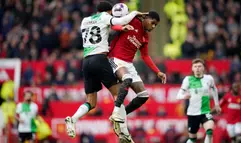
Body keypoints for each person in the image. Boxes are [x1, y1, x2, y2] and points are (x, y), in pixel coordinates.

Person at [64, 1, 145, 139]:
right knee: (119, 92)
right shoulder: (104, 17)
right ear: (108, 11)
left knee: (91, 102)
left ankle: (73, 119)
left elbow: (103, 29)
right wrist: (135, 13)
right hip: (100, 59)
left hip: (86, 61)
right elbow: (120, 20)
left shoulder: (85, 20)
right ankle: (123, 131)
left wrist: (120, 28)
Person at [108, 10, 166, 140]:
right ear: (146, 18)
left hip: (128, 64)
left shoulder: (145, 36)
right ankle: (116, 112)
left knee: (144, 95)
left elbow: (145, 56)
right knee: (127, 78)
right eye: (153, 23)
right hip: (114, 59)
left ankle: (121, 116)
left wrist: (158, 72)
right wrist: (122, 27)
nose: (153, 27)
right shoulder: (132, 20)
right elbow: (112, 25)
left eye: (156, 25)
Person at [176, 58, 221, 143]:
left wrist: (217, 104)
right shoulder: (188, 79)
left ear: (203, 68)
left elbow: (214, 89)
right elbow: (178, 95)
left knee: (210, 131)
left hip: (205, 111)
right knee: (192, 139)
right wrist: (185, 96)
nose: (197, 68)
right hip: (193, 113)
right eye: (195, 66)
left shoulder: (209, 78)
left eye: (199, 66)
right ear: (192, 69)